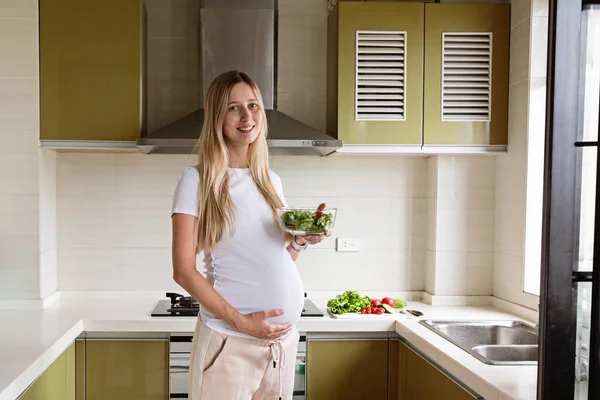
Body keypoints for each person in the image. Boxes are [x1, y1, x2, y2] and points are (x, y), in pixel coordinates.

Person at [170, 70, 329, 400]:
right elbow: (183, 270)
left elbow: (277, 256)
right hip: (229, 342)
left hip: (280, 345)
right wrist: (241, 322)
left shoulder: (271, 181)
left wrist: (301, 239)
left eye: (253, 105)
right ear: (218, 116)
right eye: (234, 108)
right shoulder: (196, 180)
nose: (247, 116)